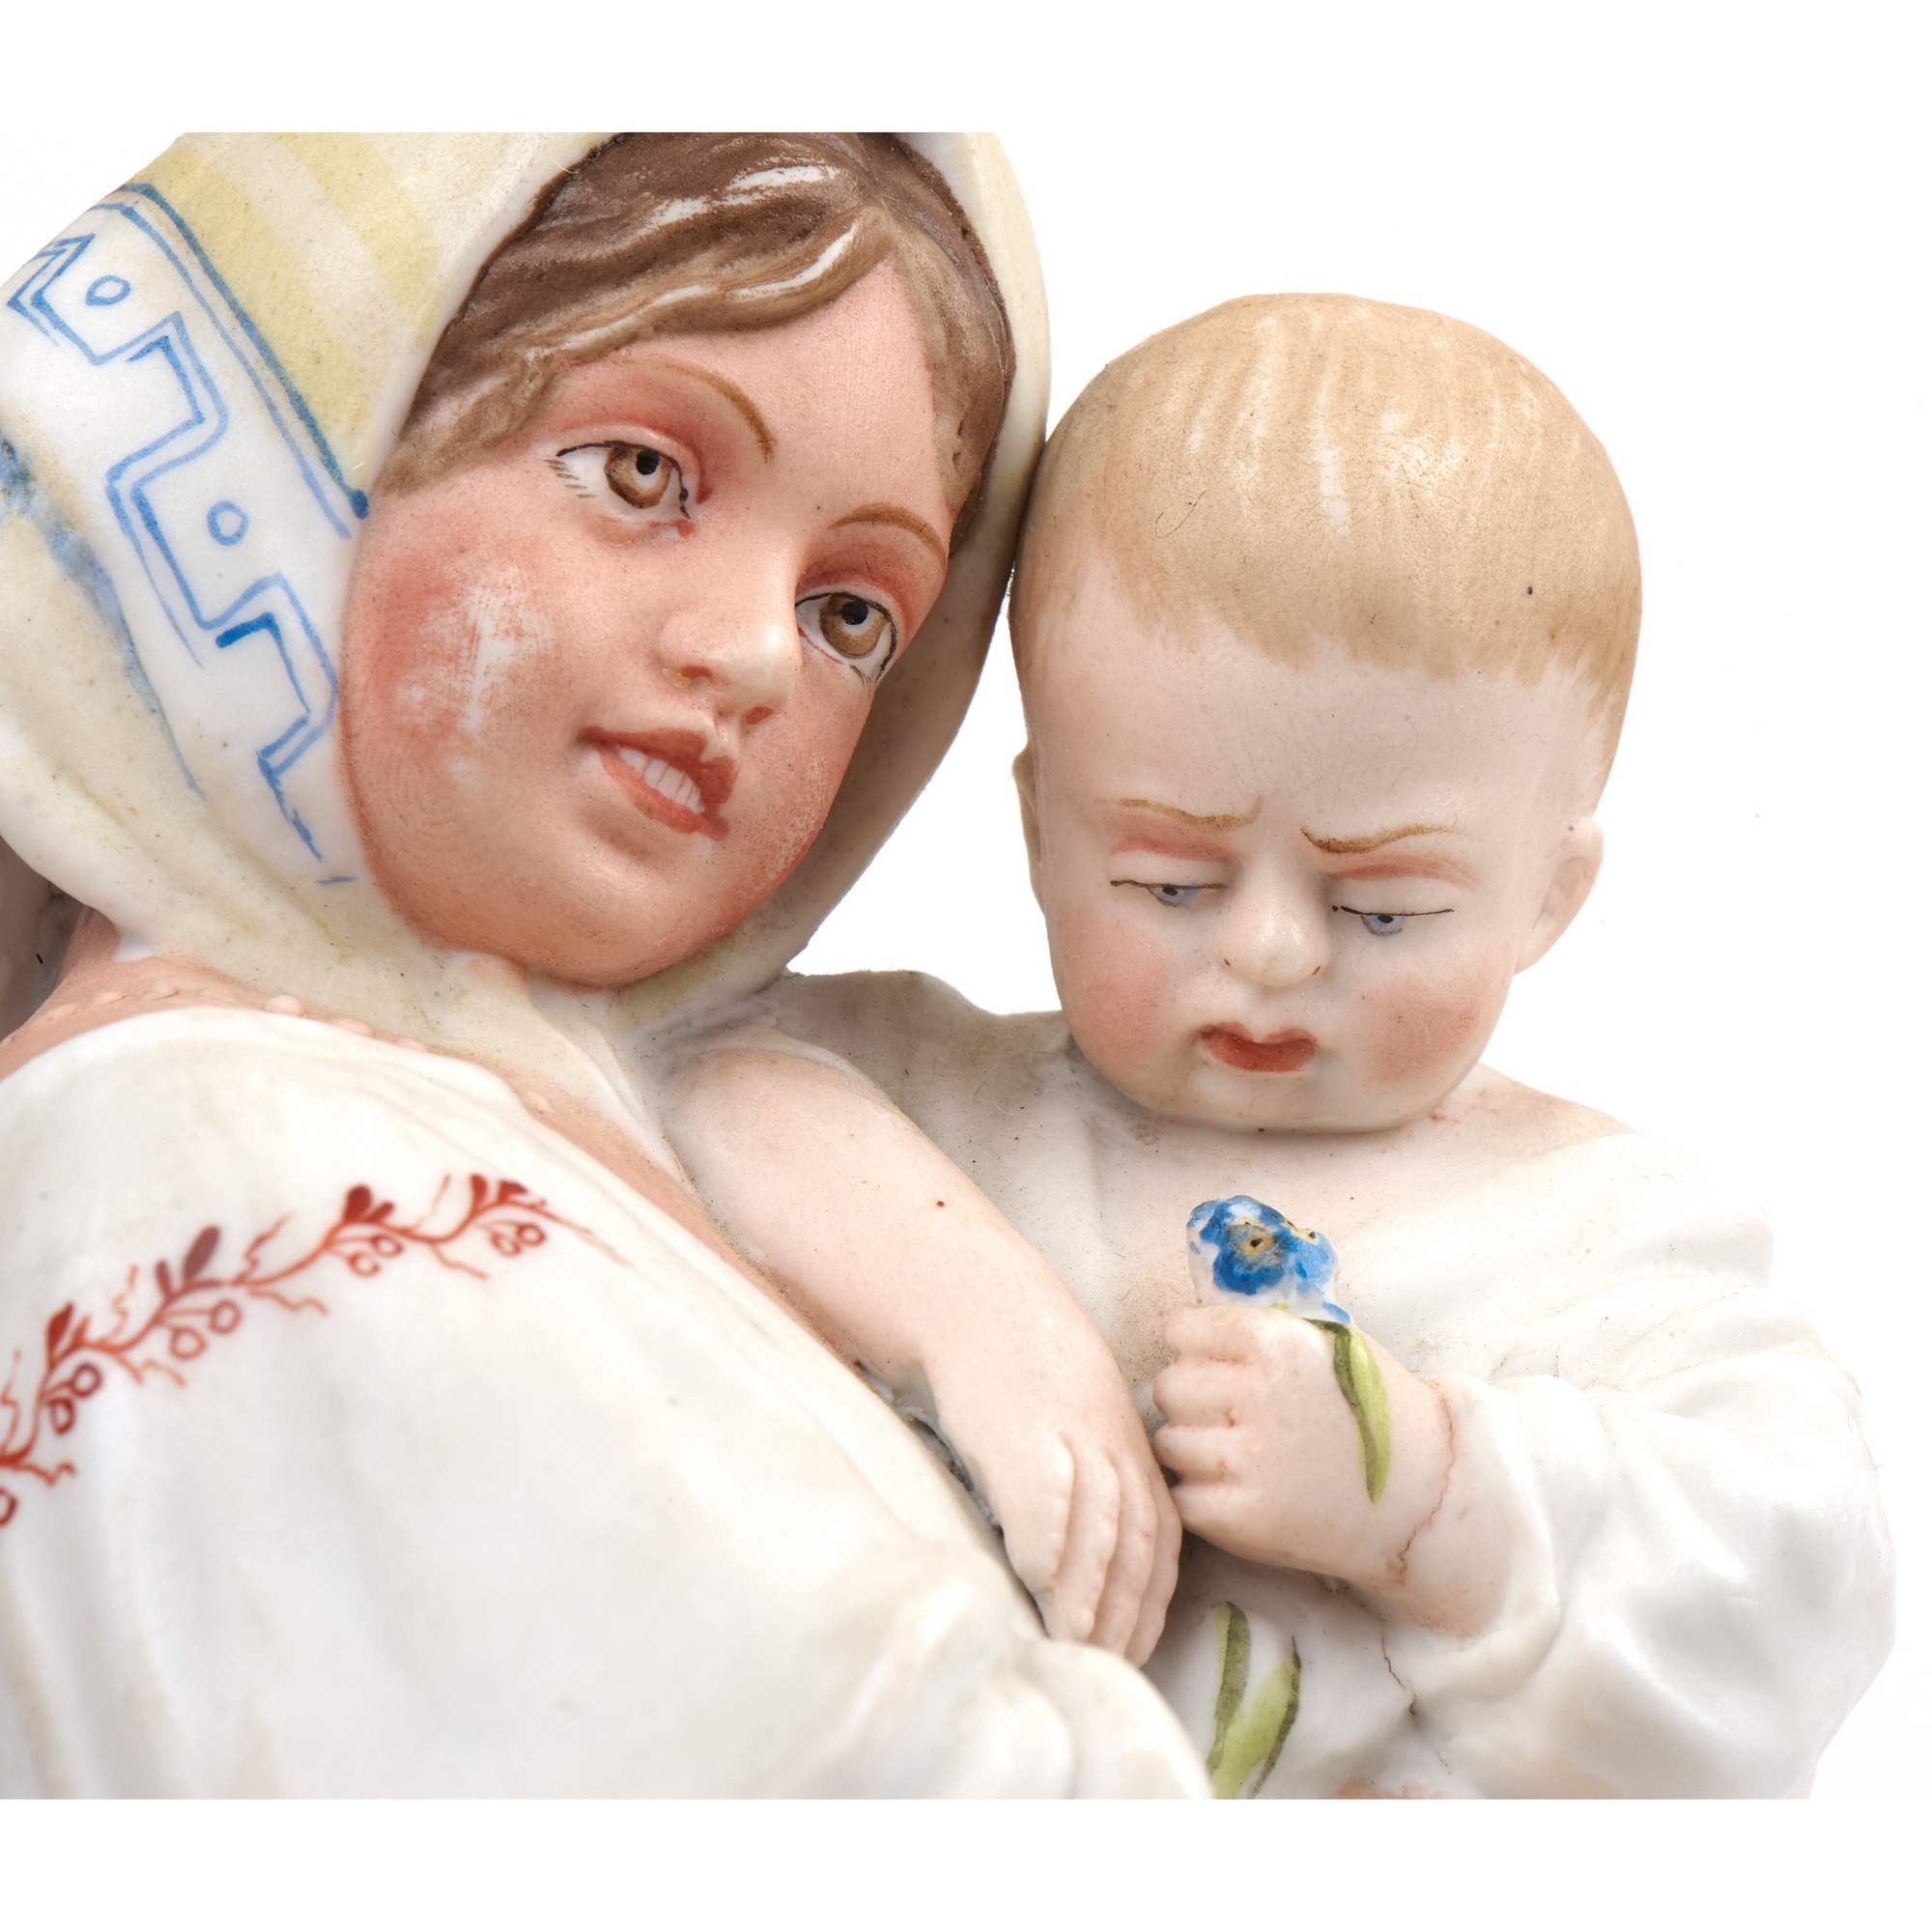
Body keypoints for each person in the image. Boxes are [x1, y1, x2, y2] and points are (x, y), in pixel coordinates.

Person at [0, 133, 1204, 1796]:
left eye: (853, 612)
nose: (756, 652)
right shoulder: (224, 1154)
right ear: (312, 464)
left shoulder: (518, 1107)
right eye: (644, 475)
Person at [666, 294, 1895, 1796]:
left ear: (1547, 894)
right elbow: (665, 1071)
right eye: (1168, 883)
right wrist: (971, 1312)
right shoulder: (936, 1097)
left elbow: (1802, 1583)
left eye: (1383, 909)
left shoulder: (1600, 1233)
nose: (1268, 952)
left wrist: (1425, 1488)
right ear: (1043, 832)